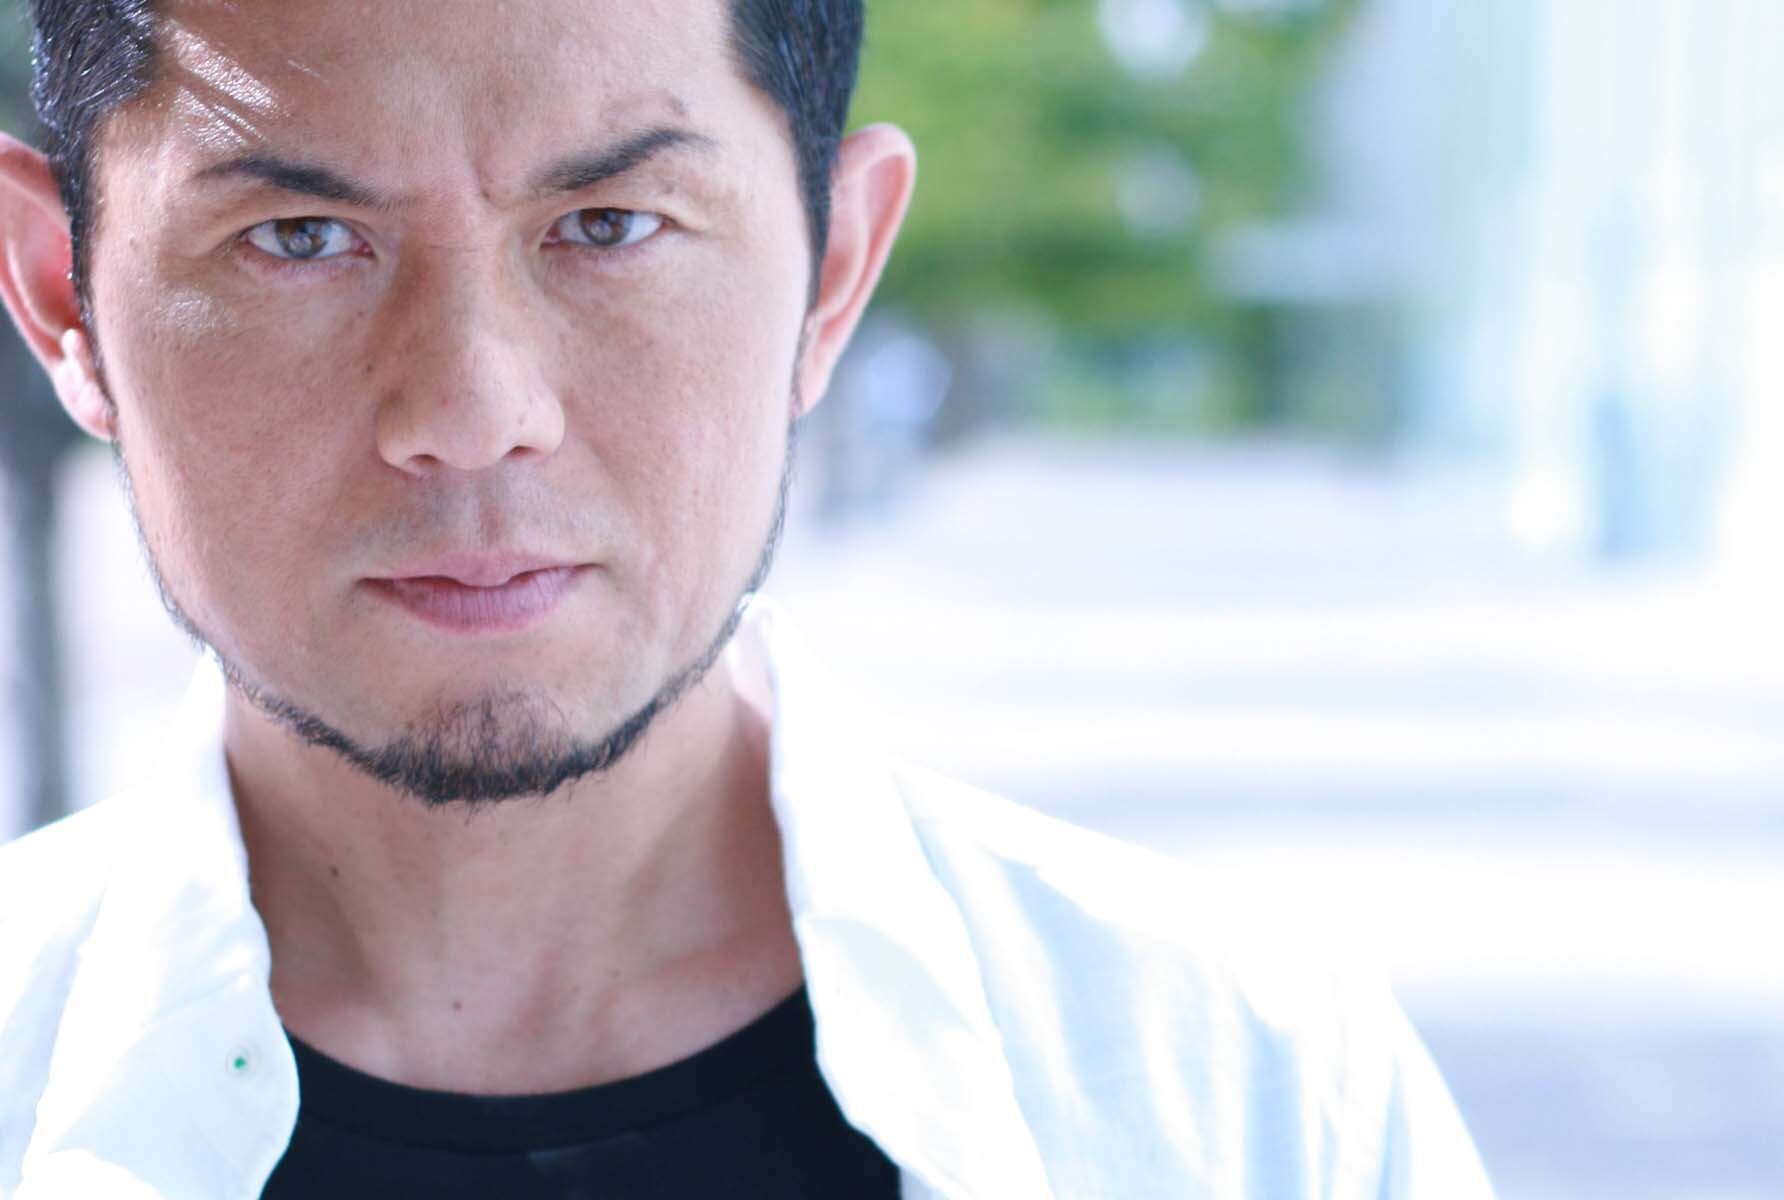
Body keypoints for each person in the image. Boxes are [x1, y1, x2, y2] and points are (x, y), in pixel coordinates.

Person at [0, 1, 1493, 1196]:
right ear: (64, 294)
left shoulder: (1241, 1094)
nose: (469, 411)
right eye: (300, 238)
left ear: (833, 270)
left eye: (610, 224)